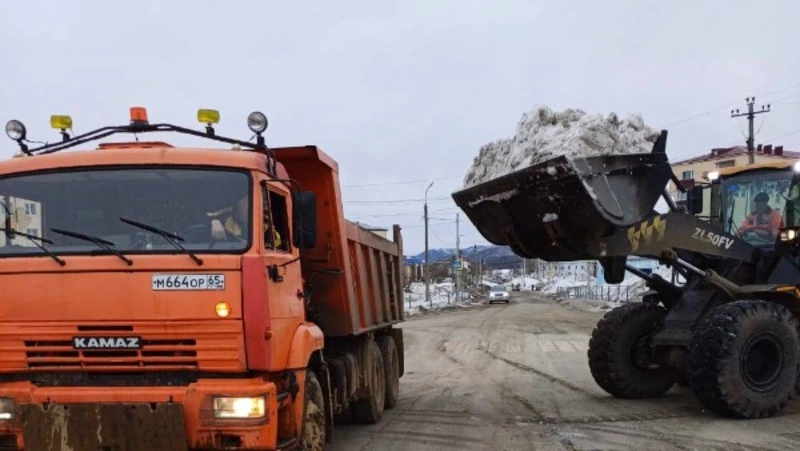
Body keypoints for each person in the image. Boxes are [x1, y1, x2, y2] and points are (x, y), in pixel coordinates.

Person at [208, 195, 282, 248]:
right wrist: (214, 222)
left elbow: (276, 245)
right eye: (245, 201)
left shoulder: (265, 226)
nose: (250, 205)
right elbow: (204, 217)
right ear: (235, 205)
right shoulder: (223, 217)